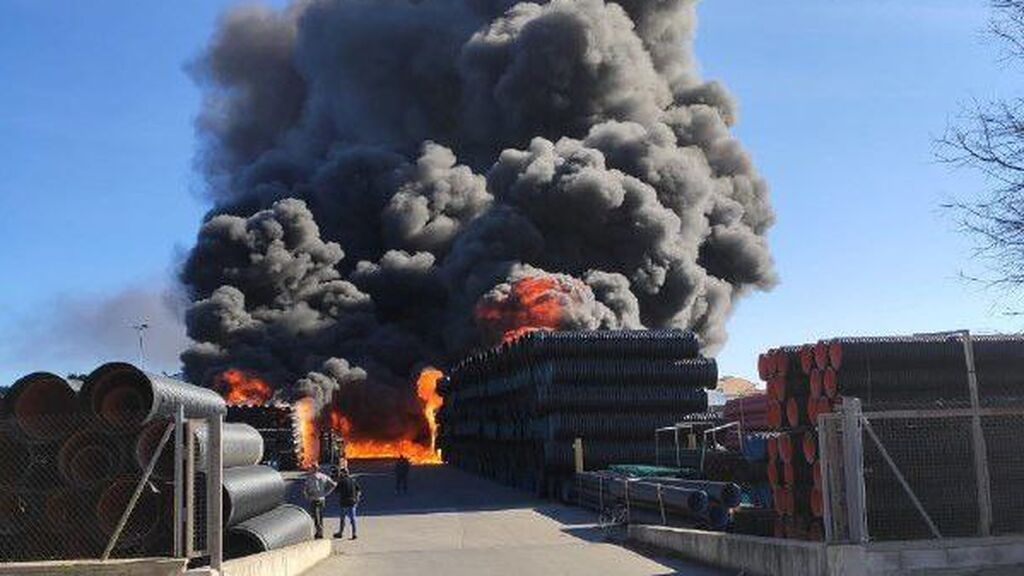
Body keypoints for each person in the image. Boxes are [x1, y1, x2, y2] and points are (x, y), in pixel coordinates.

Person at [302, 465, 337, 539]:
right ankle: (321, 532)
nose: (309, 469)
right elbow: (334, 484)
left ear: (314, 469)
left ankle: (319, 532)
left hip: (314, 499)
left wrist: (307, 495)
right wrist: (326, 493)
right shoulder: (324, 476)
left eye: (311, 468)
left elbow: (306, 489)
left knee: (316, 517)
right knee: (320, 516)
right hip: (322, 499)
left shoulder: (310, 478)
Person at [334, 464, 361, 540]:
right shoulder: (353, 480)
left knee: (342, 519)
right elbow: (358, 491)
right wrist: (357, 499)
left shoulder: (341, 481)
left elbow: (336, 491)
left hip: (344, 502)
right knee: (353, 519)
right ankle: (354, 533)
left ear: (343, 473)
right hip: (352, 502)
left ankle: (340, 533)